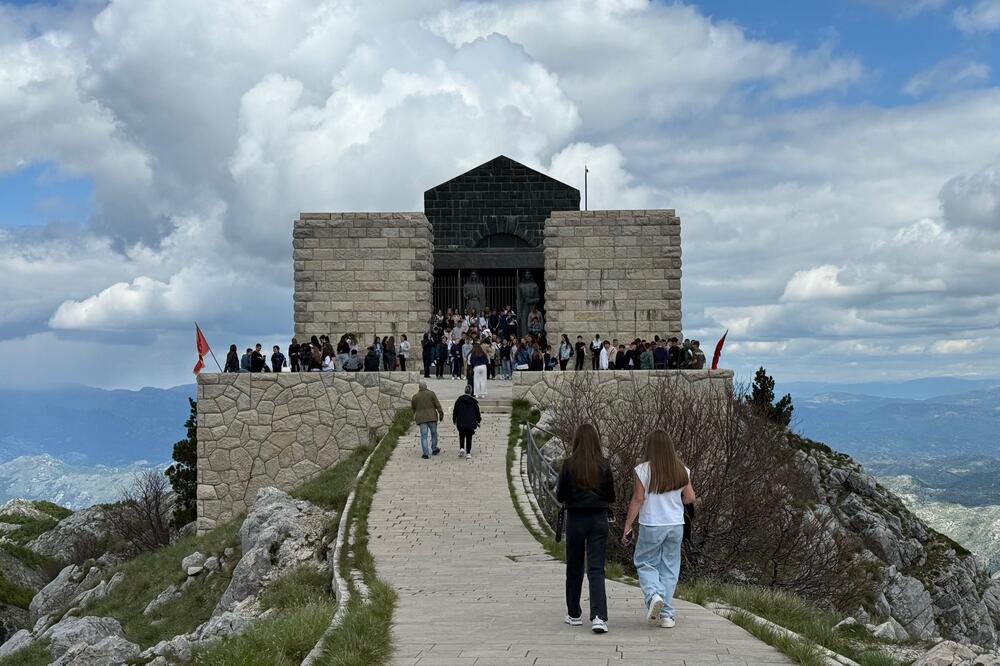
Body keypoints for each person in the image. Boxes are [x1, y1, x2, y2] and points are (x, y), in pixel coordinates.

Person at [622, 430, 696, 629]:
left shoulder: (643, 470)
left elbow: (638, 498)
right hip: (676, 525)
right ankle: (667, 616)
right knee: (670, 568)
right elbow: (690, 497)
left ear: (650, 447)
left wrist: (628, 525)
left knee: (645, 562)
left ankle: (654, 594)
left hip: (652, 523)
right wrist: (675, 502)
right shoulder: (681, 470)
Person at [556, 423, 615, 634]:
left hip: (575, 519)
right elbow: (611, 496)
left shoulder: (568, 465)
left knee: (574, 566)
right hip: (598, 519)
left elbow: (561, 495)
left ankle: (574, 613)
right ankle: (599, 616)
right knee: (596, 568)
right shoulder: (604, 465)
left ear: (577, 441)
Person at [410, 381, 444, 459]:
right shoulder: (431, 394)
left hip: (421, 419)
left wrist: (414, 415)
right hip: (432, 417)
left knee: (424, 436)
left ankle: (425, 453)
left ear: (419, 387)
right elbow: (438, 405)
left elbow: (413, 408)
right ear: (426, 386)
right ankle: (434, 448)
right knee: (434, 433)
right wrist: (441, 414)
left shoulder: (415, 397)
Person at [452, 384, 481, 460]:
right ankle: (468, 453)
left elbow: (455, 410)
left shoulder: (459, 399)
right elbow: (477, 412)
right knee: (469, 437)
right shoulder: (473, 401)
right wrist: (478, 420)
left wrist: (454, 419)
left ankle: (462, 448)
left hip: (461, 421)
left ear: (464, 391)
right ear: (471, 392)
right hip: (470, 421)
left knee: (461, 435)